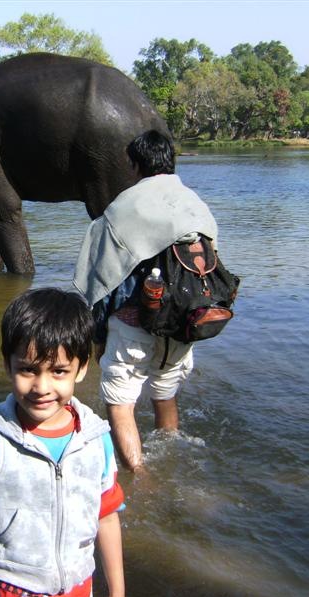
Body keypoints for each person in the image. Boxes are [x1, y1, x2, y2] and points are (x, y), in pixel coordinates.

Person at [0, 288, 125, 597]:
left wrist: (118, 592)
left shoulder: (95, 439)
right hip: (7, 592)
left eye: (58, 371)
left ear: (81, 368)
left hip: (78, 591)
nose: (41, 387)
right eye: (27, 369)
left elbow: (106, 517)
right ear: (7, 365)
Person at [73, 130, 219, 472]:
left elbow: (99, 278)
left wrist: (97, 333)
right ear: (171, 160)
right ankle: (171, 456)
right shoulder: (196, 204)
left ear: (134, 165)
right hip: (184, 323)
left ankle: (140, 479)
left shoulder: (124, 206)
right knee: (164, 391)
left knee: (120, 402)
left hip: (133, 325)